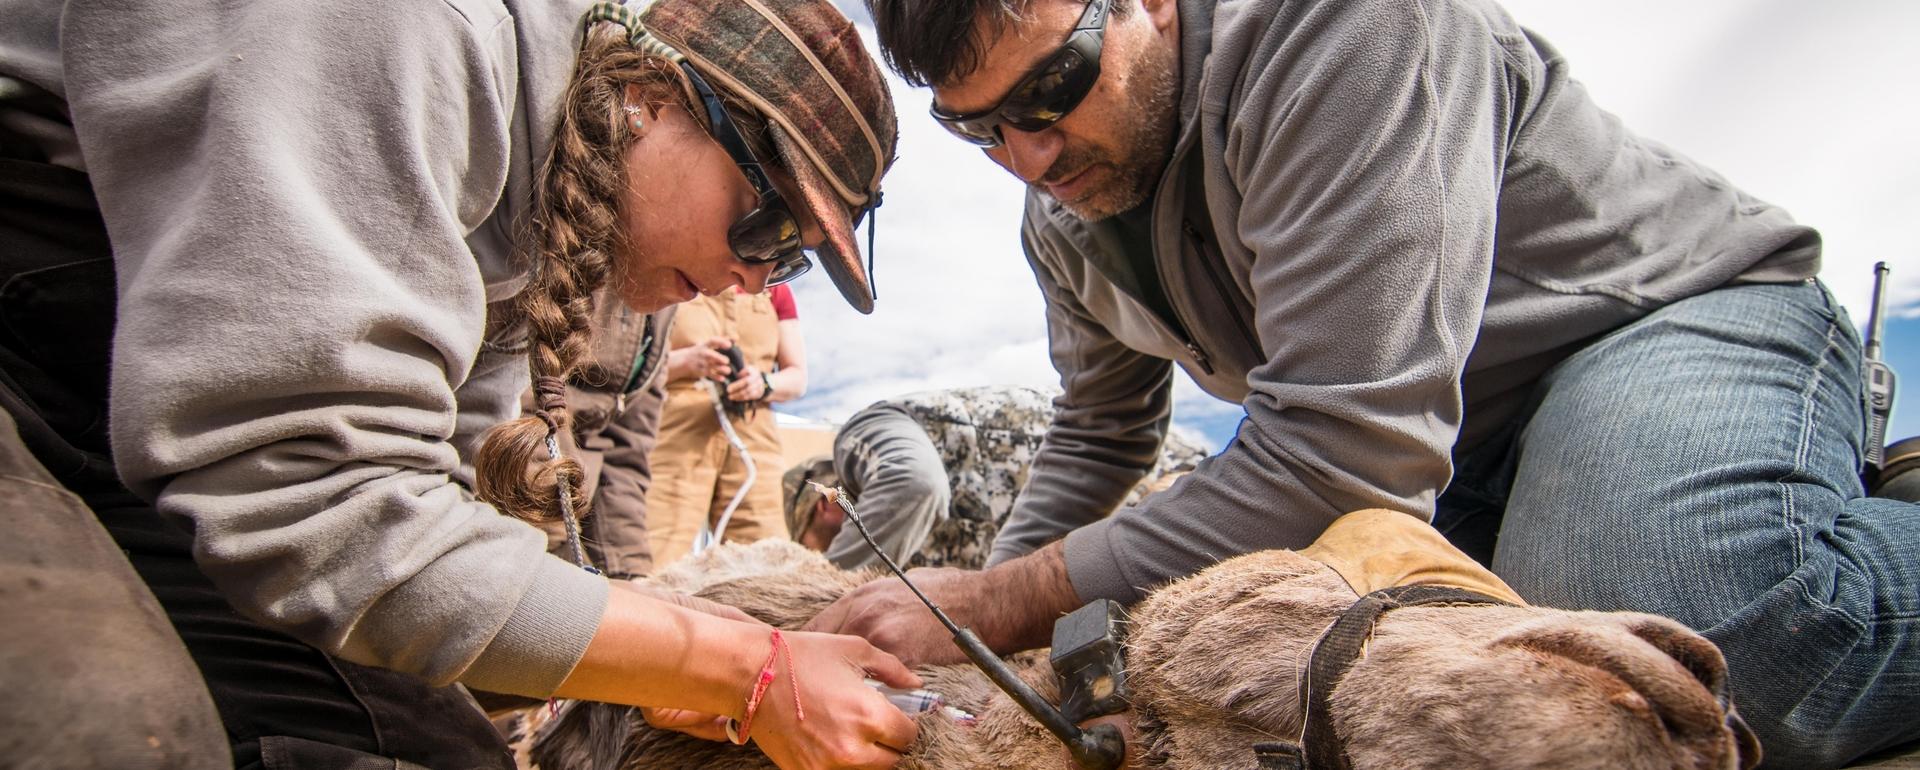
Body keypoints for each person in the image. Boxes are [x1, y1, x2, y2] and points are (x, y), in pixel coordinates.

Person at [806, 0, 1920, 767]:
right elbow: (1103, 428)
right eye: (978, 127)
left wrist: (1001, 596)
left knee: (1707, 649)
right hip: (1461, 457)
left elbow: (1346, 451)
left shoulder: (1338, 32)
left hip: (1661, 323)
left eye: (1050, 88)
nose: (1030, 155)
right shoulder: (1060, 218)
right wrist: (973, 611)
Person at [0, 0, 922, 767]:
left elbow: (425, 518)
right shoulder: (414, 29)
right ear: (649, 98)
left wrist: (650, 637)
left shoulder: (550, 208)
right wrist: (738, 667)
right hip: (37, 320)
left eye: (791, 263)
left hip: (169, 422)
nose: (756, 283)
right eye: (766, 229)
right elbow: (325, 517)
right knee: (107, 727)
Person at [782, 385, 1207, 570]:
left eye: (813, 546)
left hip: (1171, 476)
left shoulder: (863, 434)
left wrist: (826, 602)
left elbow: (913, 486)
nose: (820, 557)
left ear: (825, 505)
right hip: (1139, 534)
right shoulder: (912, 555)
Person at [647, 283, 807, 566]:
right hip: (677, 431)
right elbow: (630, 365)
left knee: (768, 561)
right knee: (655, 548)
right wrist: (687, 361)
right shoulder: (675, 273)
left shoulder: (777, 288)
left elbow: (797, 378)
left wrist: (764, 382)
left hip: (755, 437)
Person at [525, 296, 674, 580]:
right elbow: (525, 412)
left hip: (570, 503)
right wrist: (557, 544)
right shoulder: (554, 271)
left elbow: (627, 446)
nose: (754, 282)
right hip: (526, 515)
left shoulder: (667, 301)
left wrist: (628, 571)